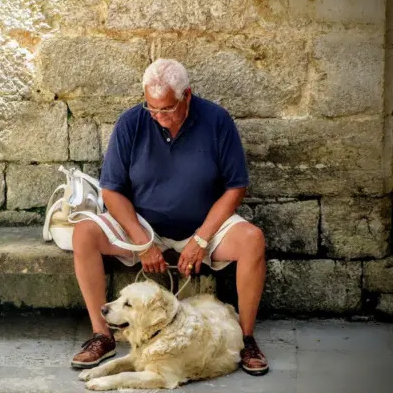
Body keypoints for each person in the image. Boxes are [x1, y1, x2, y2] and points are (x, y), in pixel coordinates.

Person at [70, 58, 269, 376]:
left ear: (186, 95)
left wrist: (202, 238)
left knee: (252, 240)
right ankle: (102, 335)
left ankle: (246, 339)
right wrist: (142, 241)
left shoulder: (216, 120)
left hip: (205, 225)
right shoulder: (132, 122)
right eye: (152, 108)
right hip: (144, 226)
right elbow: (111, 191)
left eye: (167, 108)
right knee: (83, 233)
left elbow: (236, 187)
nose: (159, 117)